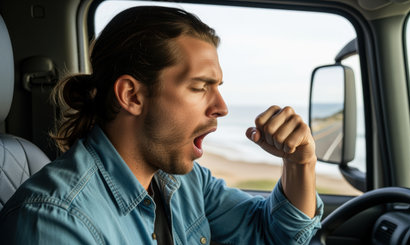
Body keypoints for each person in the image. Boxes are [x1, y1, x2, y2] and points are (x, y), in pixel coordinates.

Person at [0, 6, 323, 244]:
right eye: (199, 87)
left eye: (218, 87)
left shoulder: (186, 182)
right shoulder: (53, 221)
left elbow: (275, 235)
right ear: (132, 95)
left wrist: (300, 163)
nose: (221, 107)